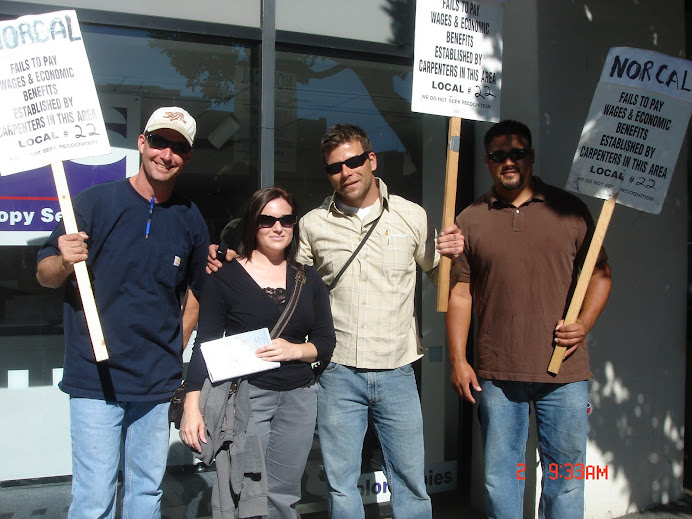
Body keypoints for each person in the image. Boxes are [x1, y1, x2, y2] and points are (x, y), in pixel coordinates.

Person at [36, 106, 210, 519]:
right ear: (142, 142)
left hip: (154, 385)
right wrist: (63, 259)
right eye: (159, 142)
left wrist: (174, 347)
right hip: (96, 378)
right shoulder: (95, 203)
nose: (166, 154)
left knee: (145, 495)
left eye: (178, 148)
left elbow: (198, 294)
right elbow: (45, 275)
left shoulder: (190, 218)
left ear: (187, 157)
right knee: (95, 498)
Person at [445, 120, 612, 519]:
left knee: (566, 477)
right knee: (501, 477)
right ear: (487, 162)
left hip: (564, 371)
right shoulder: (470, 219)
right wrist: (458, 360)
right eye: (499, 155)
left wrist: (584, 324)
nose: (509, 161)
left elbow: (601, 278)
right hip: (499, 371)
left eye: (517, 153)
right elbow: (461, 293)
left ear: (530, 156)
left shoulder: (569, 211)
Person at [298, 123, 462, 519]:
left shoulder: (412, 216)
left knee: (410, 484)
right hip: (337, 372)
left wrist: (455, 256)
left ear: (371, 160)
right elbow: (290, 289)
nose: (346, 172)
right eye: (335, 167)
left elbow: (442, 279)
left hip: (397, 370)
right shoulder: (312, 224)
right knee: (341, 486)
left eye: (354, 161)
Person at [182, 187, 336, 519]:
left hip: (298, 399)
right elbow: (205, 347)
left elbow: (326, 341)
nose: (277, 227)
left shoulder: (308, 279)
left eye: (286, 219)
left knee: (284, 495)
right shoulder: (223, 280)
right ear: (253, 224)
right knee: (246, 492)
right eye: (267, 220)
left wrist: (296, 351)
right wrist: (191, 406)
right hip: (248, 399)